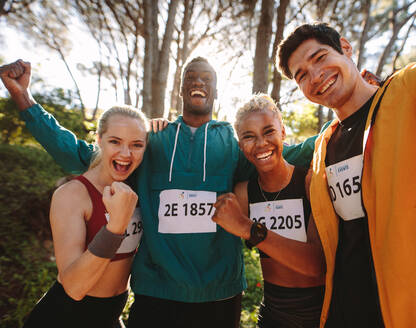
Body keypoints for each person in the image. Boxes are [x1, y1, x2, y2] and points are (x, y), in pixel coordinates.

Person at [0, 57, 317, 327]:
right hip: (156, 296)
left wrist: (352, 116)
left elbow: (288, 156)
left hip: (220, 296)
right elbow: (80, 155)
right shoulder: (151, 141)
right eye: (191, 77)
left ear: (217, 90)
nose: (199, 83)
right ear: (180, 89)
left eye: (207, 78)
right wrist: (25, 101)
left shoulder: (234, 145)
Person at [275, 22, 416, 327]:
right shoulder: (324, 146)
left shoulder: (415, 91)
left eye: (320, 57)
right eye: (301, 75)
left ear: (346, 48)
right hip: (344, 313)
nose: (315, 76)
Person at [1, 61, 149, 328]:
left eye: (136, 144)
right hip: (65, 317)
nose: (126, 154)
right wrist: (115, 227)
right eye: (115, 141)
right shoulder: (72, 194)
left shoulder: (135, 183)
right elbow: (74, 286)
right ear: (99, 141)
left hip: (110, 315)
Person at [212, 94, 325, 328]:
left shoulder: (310, 181)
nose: (261, 143)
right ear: (241, 146)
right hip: (272, 313)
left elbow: (316, 266)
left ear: (282, 132)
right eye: (249, 137)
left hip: (321, 311)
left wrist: (248, 229)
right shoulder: (243, 193)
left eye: (268, 131)